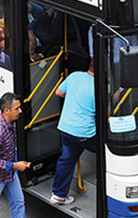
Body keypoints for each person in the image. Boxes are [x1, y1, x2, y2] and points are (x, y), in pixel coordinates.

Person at [50, 62, 96, 205]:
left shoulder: (75, 75)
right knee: (108, 150)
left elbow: (59, 92)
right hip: (84, 134)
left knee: (67, 159)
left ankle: (58, 194)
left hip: (65, 128)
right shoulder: (98, 86)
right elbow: (105, 110)